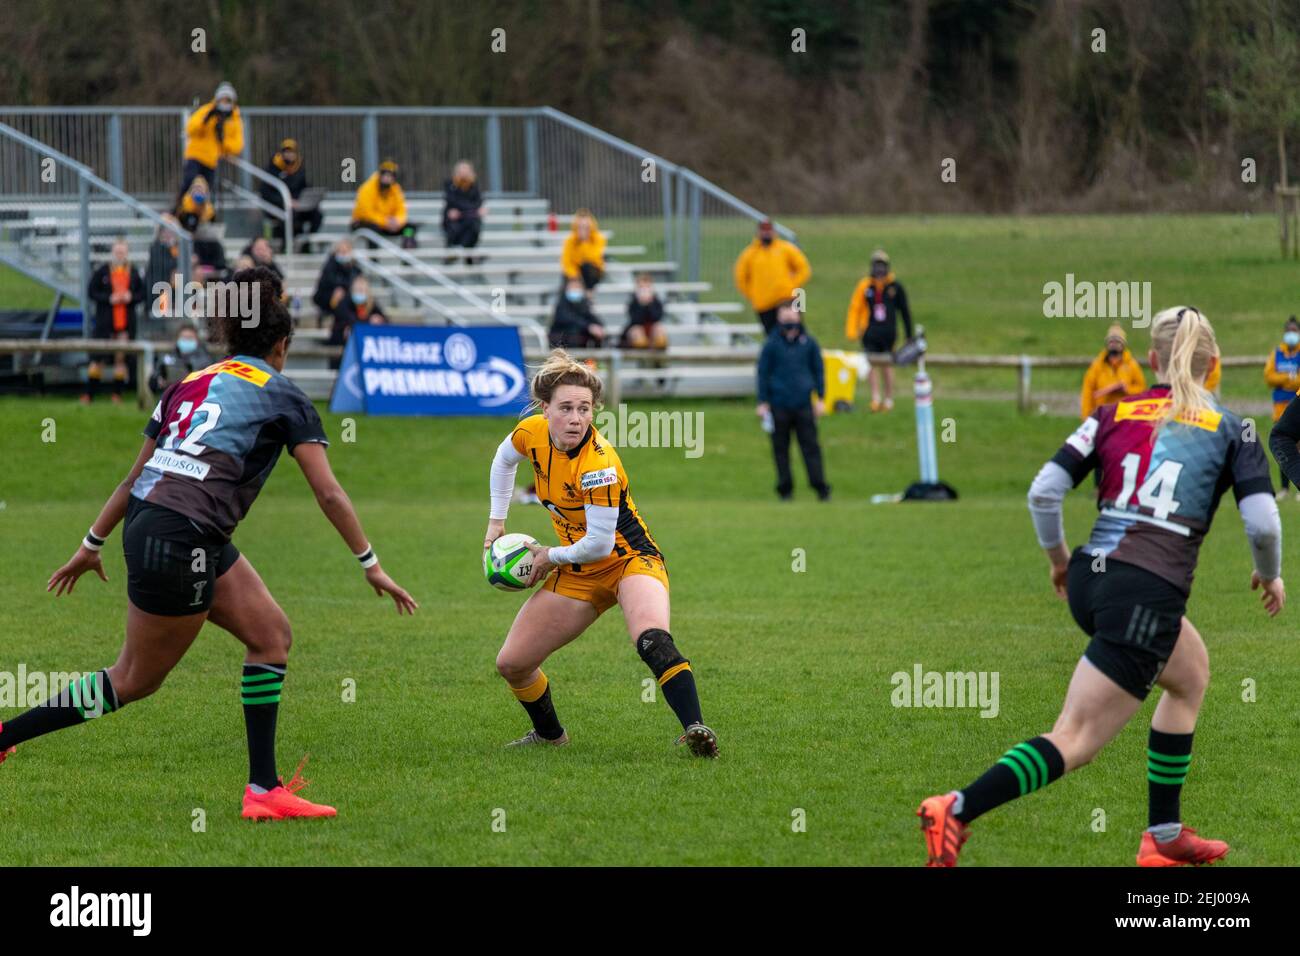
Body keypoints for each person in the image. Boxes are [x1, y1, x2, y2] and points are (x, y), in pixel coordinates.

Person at [1, 267, 419, 819]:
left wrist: (92, 541)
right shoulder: (284, 395)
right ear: (281, 344)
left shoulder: (189, 383)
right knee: (132, 679)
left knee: (271, 635)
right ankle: (6, 734)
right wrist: (371, 564)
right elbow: (330, 494)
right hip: (183, 535)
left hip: (161, 522)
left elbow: (134, 478)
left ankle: (263, 791)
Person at [918, 307, 1284, 867]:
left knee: (1189, 674)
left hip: (1094, 578)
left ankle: (1162, 837)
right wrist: (1270, 571)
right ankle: (957, 808)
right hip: (1146, 594)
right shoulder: (1234, 429)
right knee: (1075, 738)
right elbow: (1262, 523)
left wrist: (1060, 562)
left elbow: (1044, 491)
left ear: (1153, 361)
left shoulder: (1112, 413)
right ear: (1213, 367)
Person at [483, 350, 718, 756]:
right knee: (512, 663)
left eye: (585, 409)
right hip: (577, 570)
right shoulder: (531, 433)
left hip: (629, 561)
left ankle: (696, 729)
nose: (576, 418)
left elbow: (600, 544)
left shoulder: (599, 463)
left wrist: (546, 557)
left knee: (651, 640)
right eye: (566, 408)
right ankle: (550, 736)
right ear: (545, 409)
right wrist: (496, 520)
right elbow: (504, 459)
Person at [756, 301, 830, 501]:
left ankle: (821, 488)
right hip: (779, 404)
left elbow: (819, 371)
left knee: (811, 448)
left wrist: (821, 398)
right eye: (785, 315)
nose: (789, 320)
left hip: (803, 404)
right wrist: (762, 401)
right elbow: (763, 373)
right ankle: (785, 490)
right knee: (781, 450)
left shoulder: (809, 343)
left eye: (792, 315)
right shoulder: (772, 344)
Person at [844, 249, 912, 412]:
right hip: (870, 332)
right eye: (876, 265)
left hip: (889, 333)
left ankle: (888, 399)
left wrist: (909, 335)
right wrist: (852, 330)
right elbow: (855, 308)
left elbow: (904, 311)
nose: (879, 269)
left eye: (882, 265)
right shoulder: (865, 286)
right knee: (870, 364)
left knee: (888, 365)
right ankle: (875, 398)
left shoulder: (895, 287)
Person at [83, 238, 145, 404]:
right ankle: (89, 394)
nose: (120, 255)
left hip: (125, 323)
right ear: (112, 252)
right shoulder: (102, 271)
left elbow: (142, 294)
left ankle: (117, 394)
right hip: (105, 323)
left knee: (121, 359)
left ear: (126, 253)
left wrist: (130, 297)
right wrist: (109, 298)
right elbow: (91, 292)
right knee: (98, 359)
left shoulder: (134, 272)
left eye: (122, 252)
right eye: (117, 252)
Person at [734, 218, 810, 335]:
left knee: (797, 333)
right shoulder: (749, 254)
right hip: (764, 304)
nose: (766, 232)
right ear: (758, 232)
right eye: (763, 230)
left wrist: (792, 286)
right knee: (772, 336)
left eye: (769, 230)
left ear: (774, 231)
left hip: (788, 298)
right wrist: (754, 294)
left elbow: (803, 268)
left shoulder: (785, 248)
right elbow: (741, 278)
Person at [181, 82, 243, 197]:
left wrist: (222, 140)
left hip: (212, 160)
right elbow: (190, 129)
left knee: (208, 191)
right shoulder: (207, 110)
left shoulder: (234, 119)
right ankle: (177, 210)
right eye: (222, 100)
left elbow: (237, 145)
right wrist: (205, 121)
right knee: (189, 184)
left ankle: (204, 214)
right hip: (196, 155)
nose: (224, 104)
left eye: (227, 100)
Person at [260, 138, 322, 247]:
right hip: (278, 205)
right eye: (286, 152)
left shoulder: (299, 168)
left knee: (317, 214)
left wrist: (304, 200)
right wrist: (286, 201)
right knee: (290, 213)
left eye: (292, 152)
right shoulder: (272, 169)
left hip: (297, 205)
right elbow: (266, 193)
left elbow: (303, 188)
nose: (289, 155)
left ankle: (306, 244)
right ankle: (287, 246)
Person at [1264, 316, 1300, 499]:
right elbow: (1269, 376)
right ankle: (1285, 488)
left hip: (1296, 405)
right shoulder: (1277, 352)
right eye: (1289, 331)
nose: (1291, 334)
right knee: (1284, 446)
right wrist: (1289, 380)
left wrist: (1286, 380)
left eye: (1295, 331)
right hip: (1281, 408)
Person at [1080, 323, 1146, 419]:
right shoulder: (1097, 366)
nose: (1114, 345)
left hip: (1125, 416)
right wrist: (1086, 417)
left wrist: (1127, 390)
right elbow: (1088, 392)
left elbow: (1142, 390)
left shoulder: (1132, 365)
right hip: (1102, 416)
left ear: (1123, 345)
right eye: (1111, 342)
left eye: (1117, 342)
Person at [327, 275, 387, 370]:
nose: (359, 293)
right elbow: (351, 321)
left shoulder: (371, 305)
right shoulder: (344, 304)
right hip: (341, 350)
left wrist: (379, 320)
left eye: (362, 290)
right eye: (357, 290)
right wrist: (369, 321)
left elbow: (384, 320)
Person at [351, 160, 415, 246]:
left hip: (386, 225)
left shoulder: (395, 189)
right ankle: (374, 258)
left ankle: (407, 248)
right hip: (364, 223)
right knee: (373, 230)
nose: (387, 178)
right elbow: (366, 213)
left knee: (410, 227)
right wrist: (384, 222)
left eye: (390, 176)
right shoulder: (367, 188)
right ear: (380, 175)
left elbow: (401, 209)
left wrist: (398, 221)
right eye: (385, 175)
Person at [148, 322, 212, 395]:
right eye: (184, 338)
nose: (187, 341)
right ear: (177, 339)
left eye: (190, 338)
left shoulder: (205, 361)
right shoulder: (167, 358)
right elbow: (152, 382)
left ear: (197, 340)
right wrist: (158, 382)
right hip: (171, 398)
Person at [313, 238, 363, 329]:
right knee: (338, 295)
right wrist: (339, 288)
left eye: (345, 251)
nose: (343, 254)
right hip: (327, 296)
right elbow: (327, 282)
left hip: (348, 296)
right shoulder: (330, 265)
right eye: (341, 251)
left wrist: (343, 288)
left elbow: (357, 281)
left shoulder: (355, 267)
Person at [442, 160, 485, 263]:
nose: (464, 173)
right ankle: (466, 253)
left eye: (466, 170)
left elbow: (478, 202)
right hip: (454, 219)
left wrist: (464, 211)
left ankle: (460, 251)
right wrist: (472, 210)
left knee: (474, 223)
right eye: (461, 170)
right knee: (461, 222)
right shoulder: (450, 184)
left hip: (468, 217)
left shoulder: (474, 185)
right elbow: (452, 201)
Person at [144, 214, 182, 321]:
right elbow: (164, 266)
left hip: (175, 292)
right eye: (165, 230)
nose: (168, 233)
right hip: (159, 292)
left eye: (171, 230)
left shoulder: (178, 248)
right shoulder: (156, 247)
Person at [549, 277, 604, 348]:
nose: (575, 290)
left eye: (577, 287)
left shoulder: (583, 303)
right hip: (563, 339)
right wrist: (588, 327)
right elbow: (568, 319)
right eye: (572, 287)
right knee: (574, 330)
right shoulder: (561, 304)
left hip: (579, 337)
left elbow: (590, 316)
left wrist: (598, 326)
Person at [560, 209, 606, 290]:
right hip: (576, 272)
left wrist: (584, 242)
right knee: (567, 277)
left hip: (592, 272)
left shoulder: (598, 239)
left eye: (586, 227)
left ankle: (588, 293)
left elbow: (592, 258)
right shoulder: (570, 241)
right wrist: (575, 276)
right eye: (580, 227)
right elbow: (566, 262)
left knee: (587, 266)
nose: (583, 230)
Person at [620, 273, 667, 349]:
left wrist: (649, 304)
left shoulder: (656, 302)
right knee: (637, 332)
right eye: (642, 288)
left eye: (647, 287)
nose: (645, 291)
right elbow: (636, 320)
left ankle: (657, 354)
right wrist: (642, 304)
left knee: (660, 330)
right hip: (638, 331)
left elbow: (656, 318)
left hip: (652, 331)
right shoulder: (633, 303)